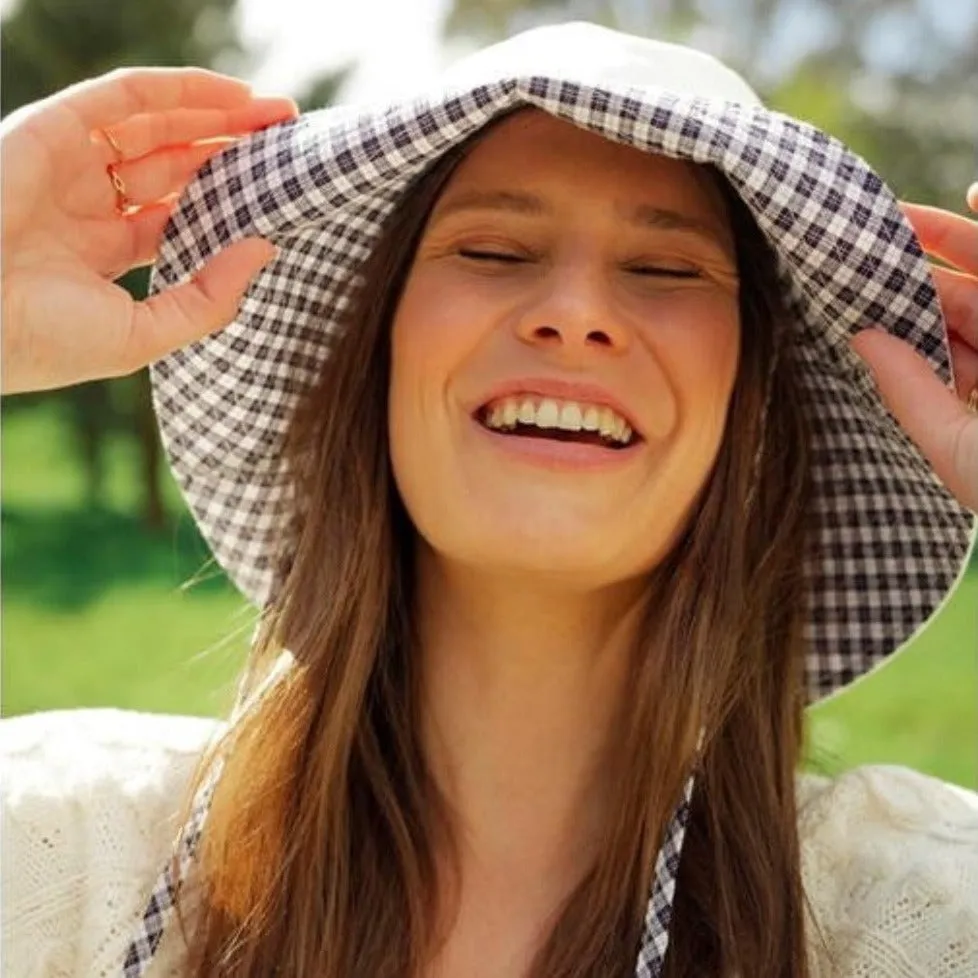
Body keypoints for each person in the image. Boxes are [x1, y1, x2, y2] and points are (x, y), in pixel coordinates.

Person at [1, 21, 977, 978]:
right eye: (495, 252)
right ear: (373, 354)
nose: (575, 315)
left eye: (665, 270)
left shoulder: (922, 910)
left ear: (751, 409)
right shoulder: (58, 843)